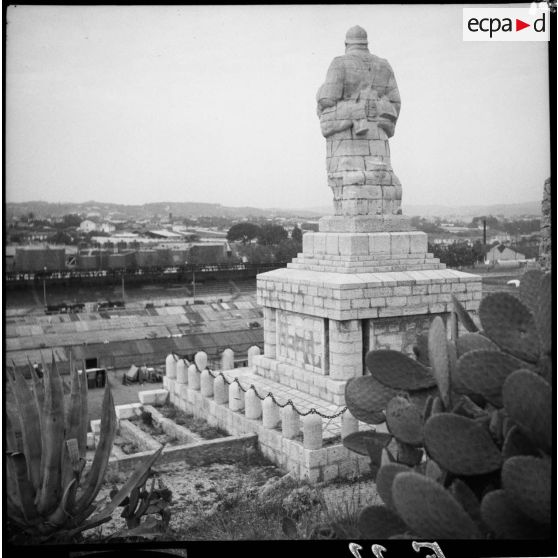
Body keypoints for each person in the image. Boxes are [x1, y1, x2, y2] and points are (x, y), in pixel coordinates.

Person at [316, 25, 401, 139]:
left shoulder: (339, 63)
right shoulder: (384, 65)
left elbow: (327, 100)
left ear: (346, 44)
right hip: (380, 141)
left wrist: (320, 92)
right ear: (366, 44)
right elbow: (396, 103)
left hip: (345, 142)